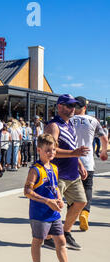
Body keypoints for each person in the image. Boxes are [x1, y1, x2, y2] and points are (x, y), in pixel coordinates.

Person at [24, 133, 91, 262]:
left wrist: (60, 198)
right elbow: (27, 191)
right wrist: (47, 201)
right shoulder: (35, 169)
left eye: (53, 150)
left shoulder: (54, 167)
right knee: (38, 242)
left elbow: (54, 187)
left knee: (61, 242)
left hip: (54, 213)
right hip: (40, 214)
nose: (51, 153)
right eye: (48, 150)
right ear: (39, 150)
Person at [44, 94, 89, 251]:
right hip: (57, 175)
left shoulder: (69, 125)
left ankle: (66, 232)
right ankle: (48, 238)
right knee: (55, 206)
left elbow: (71, 146)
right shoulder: (54, 126)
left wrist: (80, 164)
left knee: (81, 202)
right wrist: (73, 154)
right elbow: (51, 150)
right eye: (69, 106)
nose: (72, 109)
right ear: (60, 107)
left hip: (73, 174)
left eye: (74, 106)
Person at [71, 96, 108, 232]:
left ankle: (73, 213)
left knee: (71, 189)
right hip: (87, 160)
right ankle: (85, 213)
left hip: (70, 160)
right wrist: (104, 152)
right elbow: (103, 138)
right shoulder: (93, 121)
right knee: (87, 187)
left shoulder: (68, 120)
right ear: (85, 107)